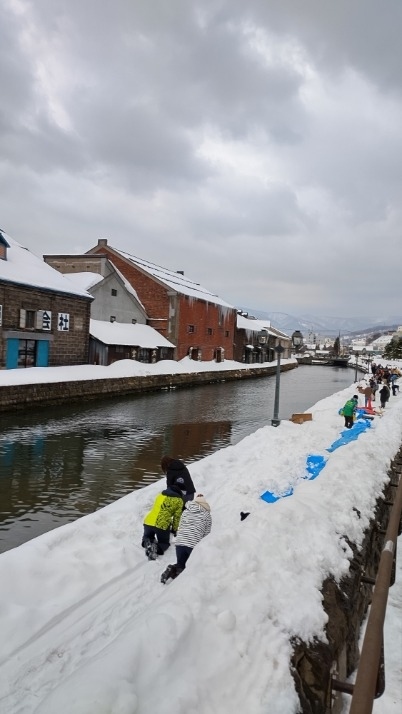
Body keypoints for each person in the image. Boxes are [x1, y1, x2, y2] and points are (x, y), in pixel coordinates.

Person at [160, 494, 212, 583]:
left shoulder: (185, 511)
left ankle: (173, 569)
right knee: (192, 566)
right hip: (193, 545)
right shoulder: (207, 515)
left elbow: (180, 526)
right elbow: (207, 534)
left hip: (180, 543)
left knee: (181, 564)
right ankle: (181, 577)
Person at [142, 484, 184, 560]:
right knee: (164, 543)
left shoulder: (160, 495)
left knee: (147, 536)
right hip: (162, 524)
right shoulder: (179, 500)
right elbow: (177, 517)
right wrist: (174, 529)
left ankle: (147, 542)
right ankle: (155, 548)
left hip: (148, 521)